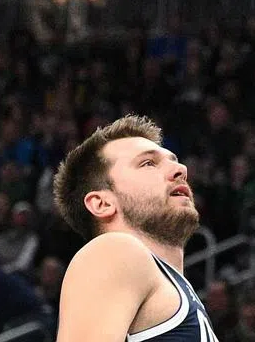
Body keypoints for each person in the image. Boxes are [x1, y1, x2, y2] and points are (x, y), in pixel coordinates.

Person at [51, 116, 216, 341]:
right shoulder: (114, 251)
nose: (180, 169)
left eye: (173, 160)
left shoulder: (176, 290)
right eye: (148, 163)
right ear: (102, 203)